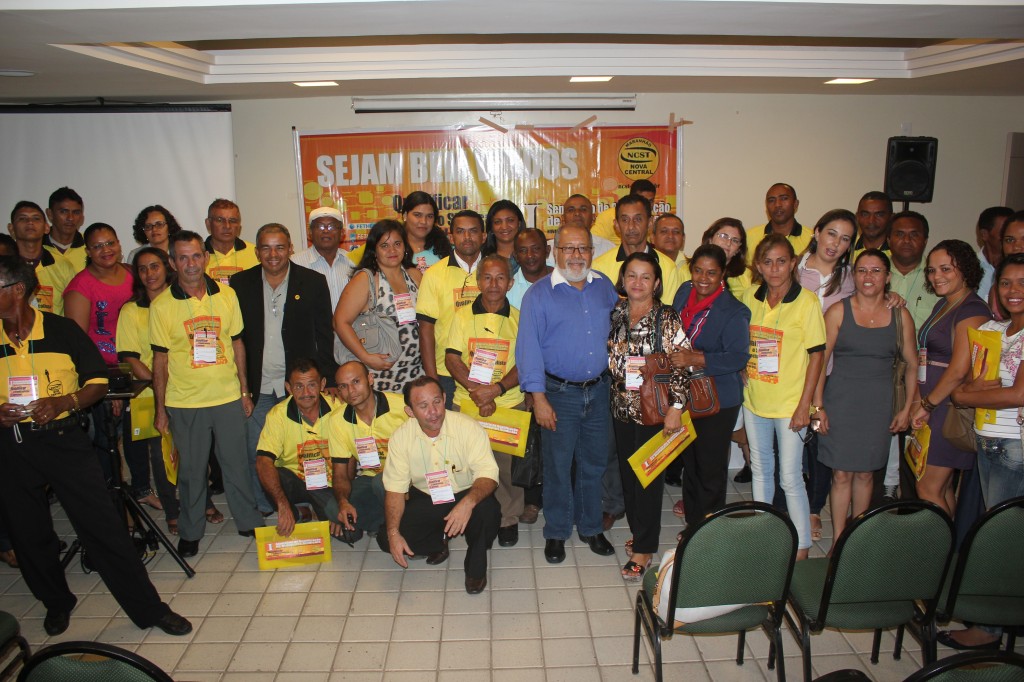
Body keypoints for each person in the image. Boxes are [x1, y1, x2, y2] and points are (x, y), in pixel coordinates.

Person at [0, 256, 191, 637]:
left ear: (17, 290)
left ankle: (148, 609)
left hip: (63, 440)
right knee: (28, 531)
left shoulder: (61, 331)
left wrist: (64, 402)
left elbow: (98, 382)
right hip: (12, 446)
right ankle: (56, 601)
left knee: (103, 527)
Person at [150, 231, 265, 558]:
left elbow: (237, 343)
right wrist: (161, 409)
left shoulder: (227, 295)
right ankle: (190, 531)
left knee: (237, 465)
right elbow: (160, 360)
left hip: (227, 397)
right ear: (173, 262)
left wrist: (245, 390)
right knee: (191, 471)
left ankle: (247, 520)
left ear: (206, 258)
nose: (191, 264)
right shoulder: (162, 305)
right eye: (183, 257)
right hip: (186, 402)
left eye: (196, 256)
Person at [517, 223, 619, 564]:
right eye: (568, 248)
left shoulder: (604, 286)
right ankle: (557, 531)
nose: (576, 255)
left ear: (592, 251)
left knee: (593, 464)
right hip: (558, 395)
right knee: (559, 467)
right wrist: (539, 399)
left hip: (599, 391)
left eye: (583, 248)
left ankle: (590, 527)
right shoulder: (538, 295)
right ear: (555, 252)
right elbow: (528, 350)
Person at [943, 252, 1024, 650]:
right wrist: (969, 391)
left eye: (1022, 283)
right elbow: (968, 380)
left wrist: (965, 395)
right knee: (998, 534)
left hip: (1015, 448)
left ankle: (990, 630)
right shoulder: (995, 330)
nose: (1013, 290)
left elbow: (1017, 394)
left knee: (1003, 540)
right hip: (987, 441)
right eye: (1006, 282)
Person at [231, 223, 338, 517]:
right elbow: (235, 338)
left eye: (280, 247)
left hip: (299, 385)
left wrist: (327, 377)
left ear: (290, 248)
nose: (273, 254)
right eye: (266, 248)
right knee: (257, 450)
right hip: (260, 384)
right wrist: (242, 388)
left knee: (304, 447)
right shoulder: (240, 284)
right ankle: (267, 506)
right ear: (256, 252)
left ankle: (306, 501)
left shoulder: (313, 282)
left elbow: (324, 334)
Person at [815, 250, 917, 544]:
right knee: (841, 474)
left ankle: (855, 540)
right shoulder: (838, 311)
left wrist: (907, 409)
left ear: (887, 277)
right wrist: (817, 405)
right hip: (840, 402)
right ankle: (839, 539)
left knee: (866, 475)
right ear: (854, 276)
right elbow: (820, 362)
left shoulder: (900, 314)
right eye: (862, 270)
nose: (868, 277)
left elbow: (912, 364)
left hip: (880, 405)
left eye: (875, 270)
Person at [740, 233, 825, 560]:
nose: (774, 268)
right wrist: (740, 366)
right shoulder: (751, 298)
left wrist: (806, 405)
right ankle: (763, 537)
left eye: (781, 261)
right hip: (755, 399)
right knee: (761, 471)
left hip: (791, 404)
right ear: (758, 266)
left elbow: (817, 356)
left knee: (790, 477)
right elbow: (740, 339)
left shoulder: (807, 302)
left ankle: (801, 546)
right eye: (767, 262)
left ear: (792, 264)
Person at [608, 252, 689, 581]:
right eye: (631, 275)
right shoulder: (617, 313)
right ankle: (639, 532)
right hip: (621, 407)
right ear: (623, 279)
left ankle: (644, 547)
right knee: (629, 477)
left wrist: (677, 407)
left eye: (645, 277)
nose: (637, 282)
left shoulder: (666, 317)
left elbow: (683, 362)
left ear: (656, 283)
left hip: (655, 410)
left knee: (649, 480)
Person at [378, 376, 500, 594]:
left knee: (488, 512)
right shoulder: (400, 438)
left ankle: (475, 569)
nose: (433, 411)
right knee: (386, 539)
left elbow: (489, 474)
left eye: (436, 402)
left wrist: (467, 503)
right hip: (428, 496)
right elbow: (395, 490)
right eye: (423, 406)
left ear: (444, 398)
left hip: (467, 492)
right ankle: (438, 541)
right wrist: (394, 533)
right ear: (410, 411)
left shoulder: (468, 427)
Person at [117, 247, 204, 535]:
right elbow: (130, 357)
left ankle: (201, 503)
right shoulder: (131, 310)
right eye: (142, 269)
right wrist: (160, 386)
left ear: (167, 267)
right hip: (149, 396)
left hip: (188, 391)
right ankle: (172, 510)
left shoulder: (184, 301)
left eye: (154, 266)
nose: (149, 274)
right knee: (161, 456)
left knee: (193, 453)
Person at [445, 255, 524, 547]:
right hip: (468, 402)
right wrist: (478, 391)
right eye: (487, 278)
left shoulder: (519, 318)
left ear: (510, 283)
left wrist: (496, 390)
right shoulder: (461, 316)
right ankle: (470, 514)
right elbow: (452, 358)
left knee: (506, 467)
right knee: (466, 463)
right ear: (478, 282)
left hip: (508, 403)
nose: (493, 284)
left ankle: (508, 519)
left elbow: (526, 363)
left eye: (500, 278)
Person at [909, 240, 992, 517]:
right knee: (941, 489)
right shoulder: (945, 304)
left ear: (965, 269)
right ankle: (949, 541)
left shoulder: (972, 310)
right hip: (933, 403)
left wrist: (927, 405)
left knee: (928, 488)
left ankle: (939, 543)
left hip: (946, 407)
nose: (937, 276)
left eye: (946, 269)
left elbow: (958, 370)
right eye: (932, 270)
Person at [670, 244, 751, 525]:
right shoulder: (684, 292)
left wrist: (696, 358)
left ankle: (709, 530)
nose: (703, 278)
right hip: (686, 393)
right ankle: (694, 525)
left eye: (711, 273)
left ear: (723, 274)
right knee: (690, 463)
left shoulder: (734, 311)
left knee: (710, 469)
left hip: (718, 398)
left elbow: (738, 357)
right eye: (698, 271)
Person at [63, 223, 137, 491]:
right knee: (106, 441)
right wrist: (108, 386)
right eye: (97, 246)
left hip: (134, 368)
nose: (106, 250)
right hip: (103, 373)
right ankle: (109, 497)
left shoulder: (131, 274)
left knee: (136, 436)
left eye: (110, 243)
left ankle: (139, 490)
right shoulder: (80, 286)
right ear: (88, 251)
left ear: (119, 244)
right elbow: (78, 345)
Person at [797, 209, 857, 540]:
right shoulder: (794, 268)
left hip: (832, 373)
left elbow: (872, 301)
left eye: (845, 238)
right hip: (793, 370)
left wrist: (892, 297)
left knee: (820, 441)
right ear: (817, 232)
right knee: (793, 441)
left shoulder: (851, 277)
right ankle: (787, 505)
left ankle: (813, 508)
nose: (836, 243)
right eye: (832, 233)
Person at [256, 358, 357, 540]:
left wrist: (341, 501)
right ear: (288, 388)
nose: (306, 393)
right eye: (298, 386)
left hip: (330, 484)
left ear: (322, 384)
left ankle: (315, 509)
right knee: (269, 471)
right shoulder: (277, 414)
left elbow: (350, 458)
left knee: (351, 534)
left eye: (311, 385)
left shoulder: (339, 408)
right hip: (295, 480)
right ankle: (295, 510)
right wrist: (282, 504)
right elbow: (263, 461)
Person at [334, 219, 424, 393]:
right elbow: (340, 322)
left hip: (415, 373)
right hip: (378, 375)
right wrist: (365, 357)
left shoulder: (414, 275)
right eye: (384, 245)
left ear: (405, 246)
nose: (392, 250)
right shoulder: (366, 279)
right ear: (374, 250)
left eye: (397, 244)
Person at [416, 209, 485, 407]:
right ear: (452, 237)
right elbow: (426, 330)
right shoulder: (434, 274)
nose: (467, 237)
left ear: (484, 236)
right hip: (445, 373)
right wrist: (432, 379)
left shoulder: (495, 271)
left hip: (490, 370)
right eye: (460, 231)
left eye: (473, 231)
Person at [331, 360, 408, 535]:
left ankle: (401, 525)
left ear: (370, 379)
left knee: (382, 482)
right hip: (371, 476)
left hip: (408, 477)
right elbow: (340, 474)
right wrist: (343, 503)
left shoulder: (401, 406)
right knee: (332, 508)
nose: (351, 391)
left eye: (356, 382)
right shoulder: (336, 420)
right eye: (343, 386)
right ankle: (383, 523)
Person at [292, 206, 353, 365]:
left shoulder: (354, 263)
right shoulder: (294, 263)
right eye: (320, 226)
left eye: (332, 226)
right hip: (311, 345)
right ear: (310, 232)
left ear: (342, 232)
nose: (326, 231)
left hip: (350, 344)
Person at [592, 194, 681, 304]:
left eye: (638, 219)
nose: (631, 226)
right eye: (625, 220)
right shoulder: (599, 267)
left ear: (650, 223)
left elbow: (668, 311)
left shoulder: (668, 267)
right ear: (617, 225)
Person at [7, 201, 76, 316]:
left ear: (46, 228)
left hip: (52, 327)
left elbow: (73, 312)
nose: (30, 222)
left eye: (36, 218)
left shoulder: (63, 266)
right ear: (11, 228)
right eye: (22, 218)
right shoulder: (4, 266)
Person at [747, 183, 812, 262]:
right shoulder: (749, 237)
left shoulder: (811, 239)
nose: (777, 204)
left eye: (784, 198)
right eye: (771, 200)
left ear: (795, 204)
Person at [204, 198, 258, 286]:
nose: (227, 226)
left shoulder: (255, 253)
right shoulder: (197, 256)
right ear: (208, 224)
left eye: (232, 221)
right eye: (220, 220)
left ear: (239, 226)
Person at [592, 178, 658, 246]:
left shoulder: (651, 218)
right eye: (625, 220)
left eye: (650, 201)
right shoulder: (609, 216)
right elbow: (593, 242)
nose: (647, 204)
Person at [400, 191, 451, 272]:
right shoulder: (394, 249)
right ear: (405, 215)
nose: (423, 221)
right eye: (417, 215)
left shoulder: (443, 247)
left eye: (429, 216)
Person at [975, 206, 1015, 305]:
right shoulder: (967, 267)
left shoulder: (1018, 268)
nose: (1009, 237)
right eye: (1004, 231)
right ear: (984, 234)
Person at [557, 194, 615, 259]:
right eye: (571, 210)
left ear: (593, 218)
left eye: (583, 209)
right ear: (563, 219)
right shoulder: (550, 249)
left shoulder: (608, 249)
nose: (577, 213)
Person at [507, 227, 552, 310]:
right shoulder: (509, 290)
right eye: (523, 250)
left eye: (535, 249)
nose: (530, 255)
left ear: (547, 250)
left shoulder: (565, 281)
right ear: (516, 256)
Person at [44, 187, 87, 272]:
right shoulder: (35, 247)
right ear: (50, 214)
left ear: (81, 217)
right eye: (64, 211)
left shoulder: (91, 246)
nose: (70, 218)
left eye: (76, 212)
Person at [481, 200, 525, 277]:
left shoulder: (530, 256)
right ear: (491, 227)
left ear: (519, 223)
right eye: (497, 222)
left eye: (510, 220)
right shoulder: (482, 258)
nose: (504, 227)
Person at [852, 191, 893, 258]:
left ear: (891, 218)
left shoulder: (898, 252)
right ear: (857, 217)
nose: (871, 221)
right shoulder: (847, 249)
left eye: (879, 215)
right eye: (865, 214)